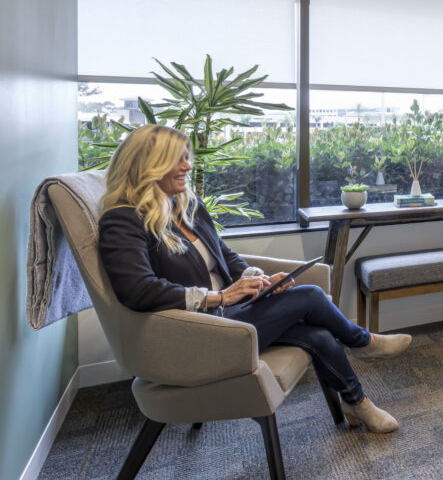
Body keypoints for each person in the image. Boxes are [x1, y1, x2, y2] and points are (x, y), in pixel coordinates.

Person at [98, 124, 410, 433]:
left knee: (318, 335)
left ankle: (358, 402)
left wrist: (258, 278)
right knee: (312, 296)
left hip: (230, 313)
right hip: (198, 329)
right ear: (149, 164)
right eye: (177, 159)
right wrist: (219, 297)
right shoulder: (123, 220)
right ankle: (363, 342)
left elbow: (225, 256)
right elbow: (136, 290)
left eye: (186, 157)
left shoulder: (186, 207)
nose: (187, 166)